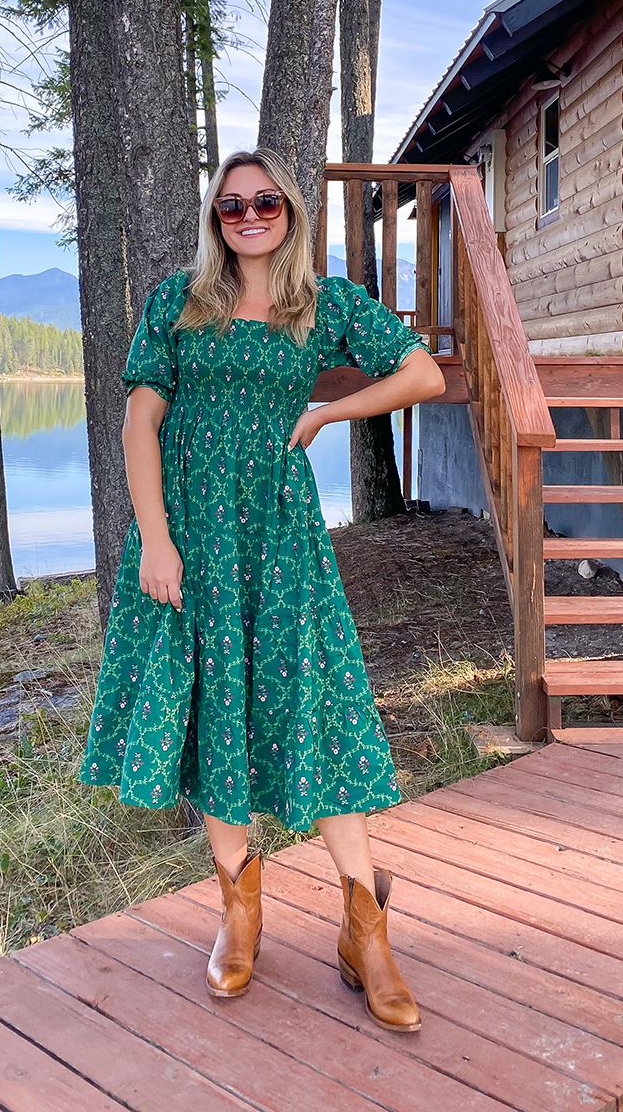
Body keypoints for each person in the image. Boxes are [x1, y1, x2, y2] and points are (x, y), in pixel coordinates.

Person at [80, 147, 445, 1031]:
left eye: (266, 202)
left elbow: (423, 374)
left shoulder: (324, 305)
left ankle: (366, 930)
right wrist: (155, 539)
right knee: (216, 704)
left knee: (313, 702)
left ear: (291, 212)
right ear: (216, 218)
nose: (248, 216)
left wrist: (326, 411)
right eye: (232, 205)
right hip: (191, 535)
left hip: (279, 537)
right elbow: (139, 422)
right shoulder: (179, 300)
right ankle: (239, 914)